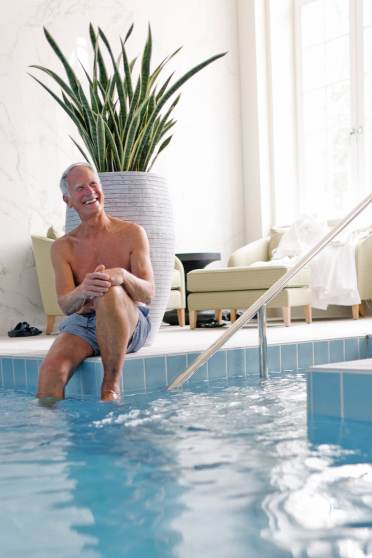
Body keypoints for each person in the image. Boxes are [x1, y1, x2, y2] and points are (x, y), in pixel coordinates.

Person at [37, 163, 155, 401]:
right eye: (81, 188)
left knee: (108, 290)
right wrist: (82, 291)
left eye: (93, 184)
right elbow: (66, 305)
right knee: (50, 374)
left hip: (128, 322)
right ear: (68, 200)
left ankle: (110, 389)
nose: (90, 192)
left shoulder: (132, 233)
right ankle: (51, 431)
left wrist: (122, 275)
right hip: (84, 324)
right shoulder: (63, 247)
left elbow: (148, 294)